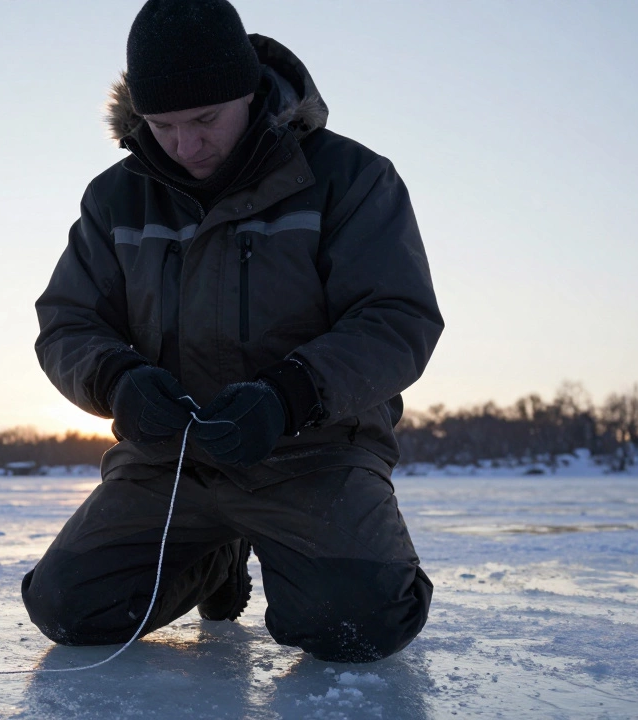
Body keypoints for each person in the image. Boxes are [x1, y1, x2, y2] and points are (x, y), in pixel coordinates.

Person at [22, 0, 443, 663]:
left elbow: (396, 319)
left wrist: (291, 394)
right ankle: (216, 559)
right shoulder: (114, 199)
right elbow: (67, 323)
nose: (185, 147)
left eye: (205, 120)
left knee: (359, 621)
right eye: (162, 125)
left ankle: (328, 560)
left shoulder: (351, 179)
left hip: (312, 451)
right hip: (171, 461)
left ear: (249, 92)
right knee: (68, 608)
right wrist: (119, 380)